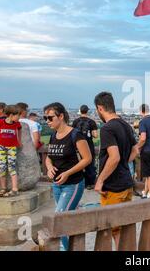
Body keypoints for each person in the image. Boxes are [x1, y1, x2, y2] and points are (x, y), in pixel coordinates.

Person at [43, 102, 92, 251]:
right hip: (57, 184)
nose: (47, 121)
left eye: (50, 118)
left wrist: (68, 173)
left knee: (59, 218)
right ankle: (73, 246)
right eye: (45, 118)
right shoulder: (53, 135)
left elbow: (87, 158)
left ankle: (64, 249)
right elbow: (49, 157)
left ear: (61, 116)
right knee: (67, 217)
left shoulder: (75, 134)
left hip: (73, 183)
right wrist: (49, 168)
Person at [93, 92, 138, 250]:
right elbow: (135, 151)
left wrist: (100, 180)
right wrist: (124, 164)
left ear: (100, 108)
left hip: (113, 186)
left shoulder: (107, 128)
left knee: (112, 228)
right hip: (126, 183)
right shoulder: (125, 124)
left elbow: (114, 157)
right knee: (123, 227)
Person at [0, 105, 22, 198]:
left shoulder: (17, 124)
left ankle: (15, 189)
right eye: (18, 115)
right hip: (1, 147)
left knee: (12, 167)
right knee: (1, 167)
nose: (19, 117)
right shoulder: (0, 122)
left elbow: (19, 131)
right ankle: (3, 188)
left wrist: (19, 141)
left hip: (12, 148)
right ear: (11, 115)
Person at [71, 104, 98, 189]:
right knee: (90, 164)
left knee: (79, 164)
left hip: (77, 146)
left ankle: (80, 182)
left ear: (80, 111)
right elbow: (95, 135)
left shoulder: (75, 122)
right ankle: (90, 183)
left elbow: (72, 134)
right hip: (88, 145)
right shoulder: (91, 122)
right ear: (87, 111)